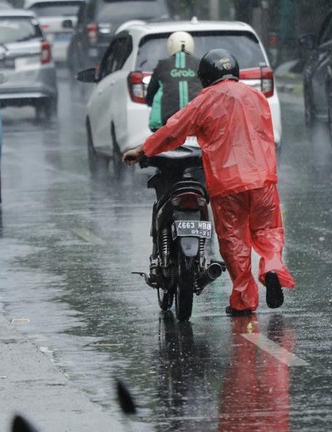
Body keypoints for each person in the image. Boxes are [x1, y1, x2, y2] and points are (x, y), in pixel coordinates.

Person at [123, 49, 295, 317]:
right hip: (263, 180)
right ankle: (271, 267)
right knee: (268, 230)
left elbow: (173, 131)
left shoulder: (205, 101)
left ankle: (243, 301)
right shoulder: (256, 97)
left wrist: (144, 151)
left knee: (234, 241)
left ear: (204, 78)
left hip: (227, 184)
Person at [145, 31, 202, 131]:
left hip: (166, 123)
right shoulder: (199, 64)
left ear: (170, 46)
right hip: (197, 120)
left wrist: (149, 102)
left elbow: (151, 93)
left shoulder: (162, 65)